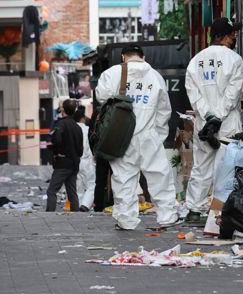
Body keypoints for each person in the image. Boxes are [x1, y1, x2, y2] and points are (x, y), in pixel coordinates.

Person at [96, 44, 181, 230]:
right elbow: (164, 110)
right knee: (159, 176)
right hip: (149, 134)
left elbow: (101, 97)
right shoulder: (156, 76)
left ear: (123, 57)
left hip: (121, 134)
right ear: (143, 56)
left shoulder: (112, 73)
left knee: (124, 178)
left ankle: (127, 220)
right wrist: (159, 135)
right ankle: (167, 216)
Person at [184, 17, 243, 221]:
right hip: (227, 124)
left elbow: (193, 95)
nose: (233, 38)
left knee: (201, 167)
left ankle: (194, 209)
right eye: (231, 35)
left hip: (203, 124)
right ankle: (220, 212)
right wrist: (218, 117)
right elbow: (232, 93)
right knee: (225, 168)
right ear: (222, 37)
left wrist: (208, 116)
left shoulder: (195, 61)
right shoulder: (235, 59)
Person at [46, 99, 83, 212]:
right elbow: (80, 150)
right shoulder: (78, 127)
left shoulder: (61, 124)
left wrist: (57, 152)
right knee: (72, 191)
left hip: (63, 163)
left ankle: (49, 214)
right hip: (74, 163)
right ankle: (76, 213)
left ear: (63, 109)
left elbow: (56, 139)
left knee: (51, 191)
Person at [72, 105, 96, 212]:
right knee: (92, 184)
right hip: (86, 160)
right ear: (82, 118)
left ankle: (79, 204)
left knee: (78, 186)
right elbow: (90, 146)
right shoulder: (87, 130)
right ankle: (85, 205)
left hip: (74, 161)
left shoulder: (71, 129)